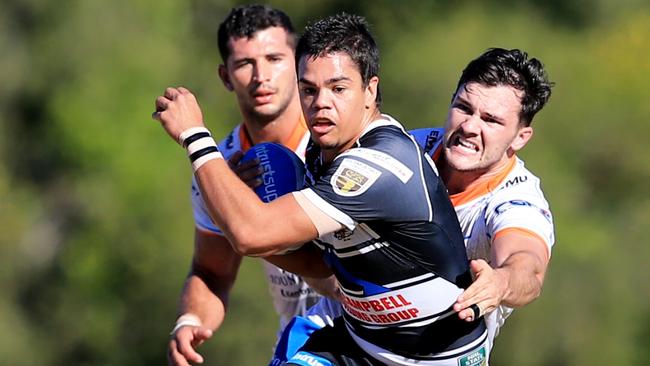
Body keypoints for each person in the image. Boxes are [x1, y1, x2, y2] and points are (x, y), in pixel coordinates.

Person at [153, 12, 490, 366]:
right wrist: (233, 206)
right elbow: (315, 263)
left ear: (370, 90)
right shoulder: (292, 157)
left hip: (434, 355)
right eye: (310, 90)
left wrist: (195, 137)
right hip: (356, 340)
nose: (321, 102)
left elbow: (252, 234)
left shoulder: (374, 164)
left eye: (339, 88)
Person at [272, 47, 555, 364]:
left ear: (520, 137)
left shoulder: (518, 200)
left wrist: (501, 282)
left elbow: (527, 267)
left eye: (490, 120)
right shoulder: (407, 148)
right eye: (464, 108)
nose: (470, 127)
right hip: (348, 328)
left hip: (436, 354)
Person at [161, 5, 333, 366]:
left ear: (299, 62)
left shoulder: (334, 143)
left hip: (370, 332)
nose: (261, 76)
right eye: (244, 64)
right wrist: (191, 319)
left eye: (274, 58)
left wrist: (242, 216)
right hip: (300, 343)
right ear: (225, 76)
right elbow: (212, 272)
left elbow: (336, 275)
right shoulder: (218, 168)